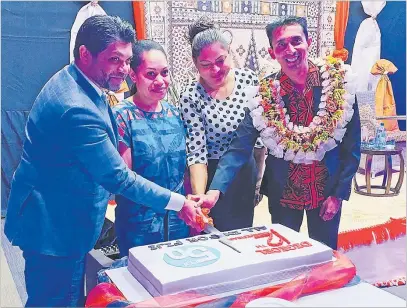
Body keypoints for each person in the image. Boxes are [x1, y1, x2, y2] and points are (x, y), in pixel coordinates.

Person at [4, 16, 203, 307]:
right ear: (85, 54)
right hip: (55, 227)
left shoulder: (78, 81)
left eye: (126, 60)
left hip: (56, 213)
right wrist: (180, 202)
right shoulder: (75, 108)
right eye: (114, 60)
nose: (123, 69)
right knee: (58, 299)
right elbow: (119, 178)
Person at [195, 16, 361, 250]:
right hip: (284, 194)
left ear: (308, 42)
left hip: (326, 193)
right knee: (286, 255)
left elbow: (353, 146)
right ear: (272, 53)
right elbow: (239, 148)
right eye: (281, 45)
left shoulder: (338, 83)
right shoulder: (264, 95)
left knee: (325, 257)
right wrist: (214, 191)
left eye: (296, 41)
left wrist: (338, 194)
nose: (290, 50)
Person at [180, 17, 265, 232]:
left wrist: (258, 180)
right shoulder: (191, 95)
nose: (216, 70)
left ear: (229, 52)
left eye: (221, 60)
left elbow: (258, 137)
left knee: (242, 234)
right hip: (208, 173)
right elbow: (197, 151)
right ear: (194, 63)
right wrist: (202, 198)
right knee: (211, 236)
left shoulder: (249, 80)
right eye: (206, 65)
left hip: (244, 170)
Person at [112, 40, 191, 256]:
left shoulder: (175, 114)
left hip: (178, 221)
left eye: (165, 73)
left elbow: (184, 169)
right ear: (134, 76)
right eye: (151, 74)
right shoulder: (121, 116)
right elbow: (125, 181)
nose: (161, 81)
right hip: (139, 225)